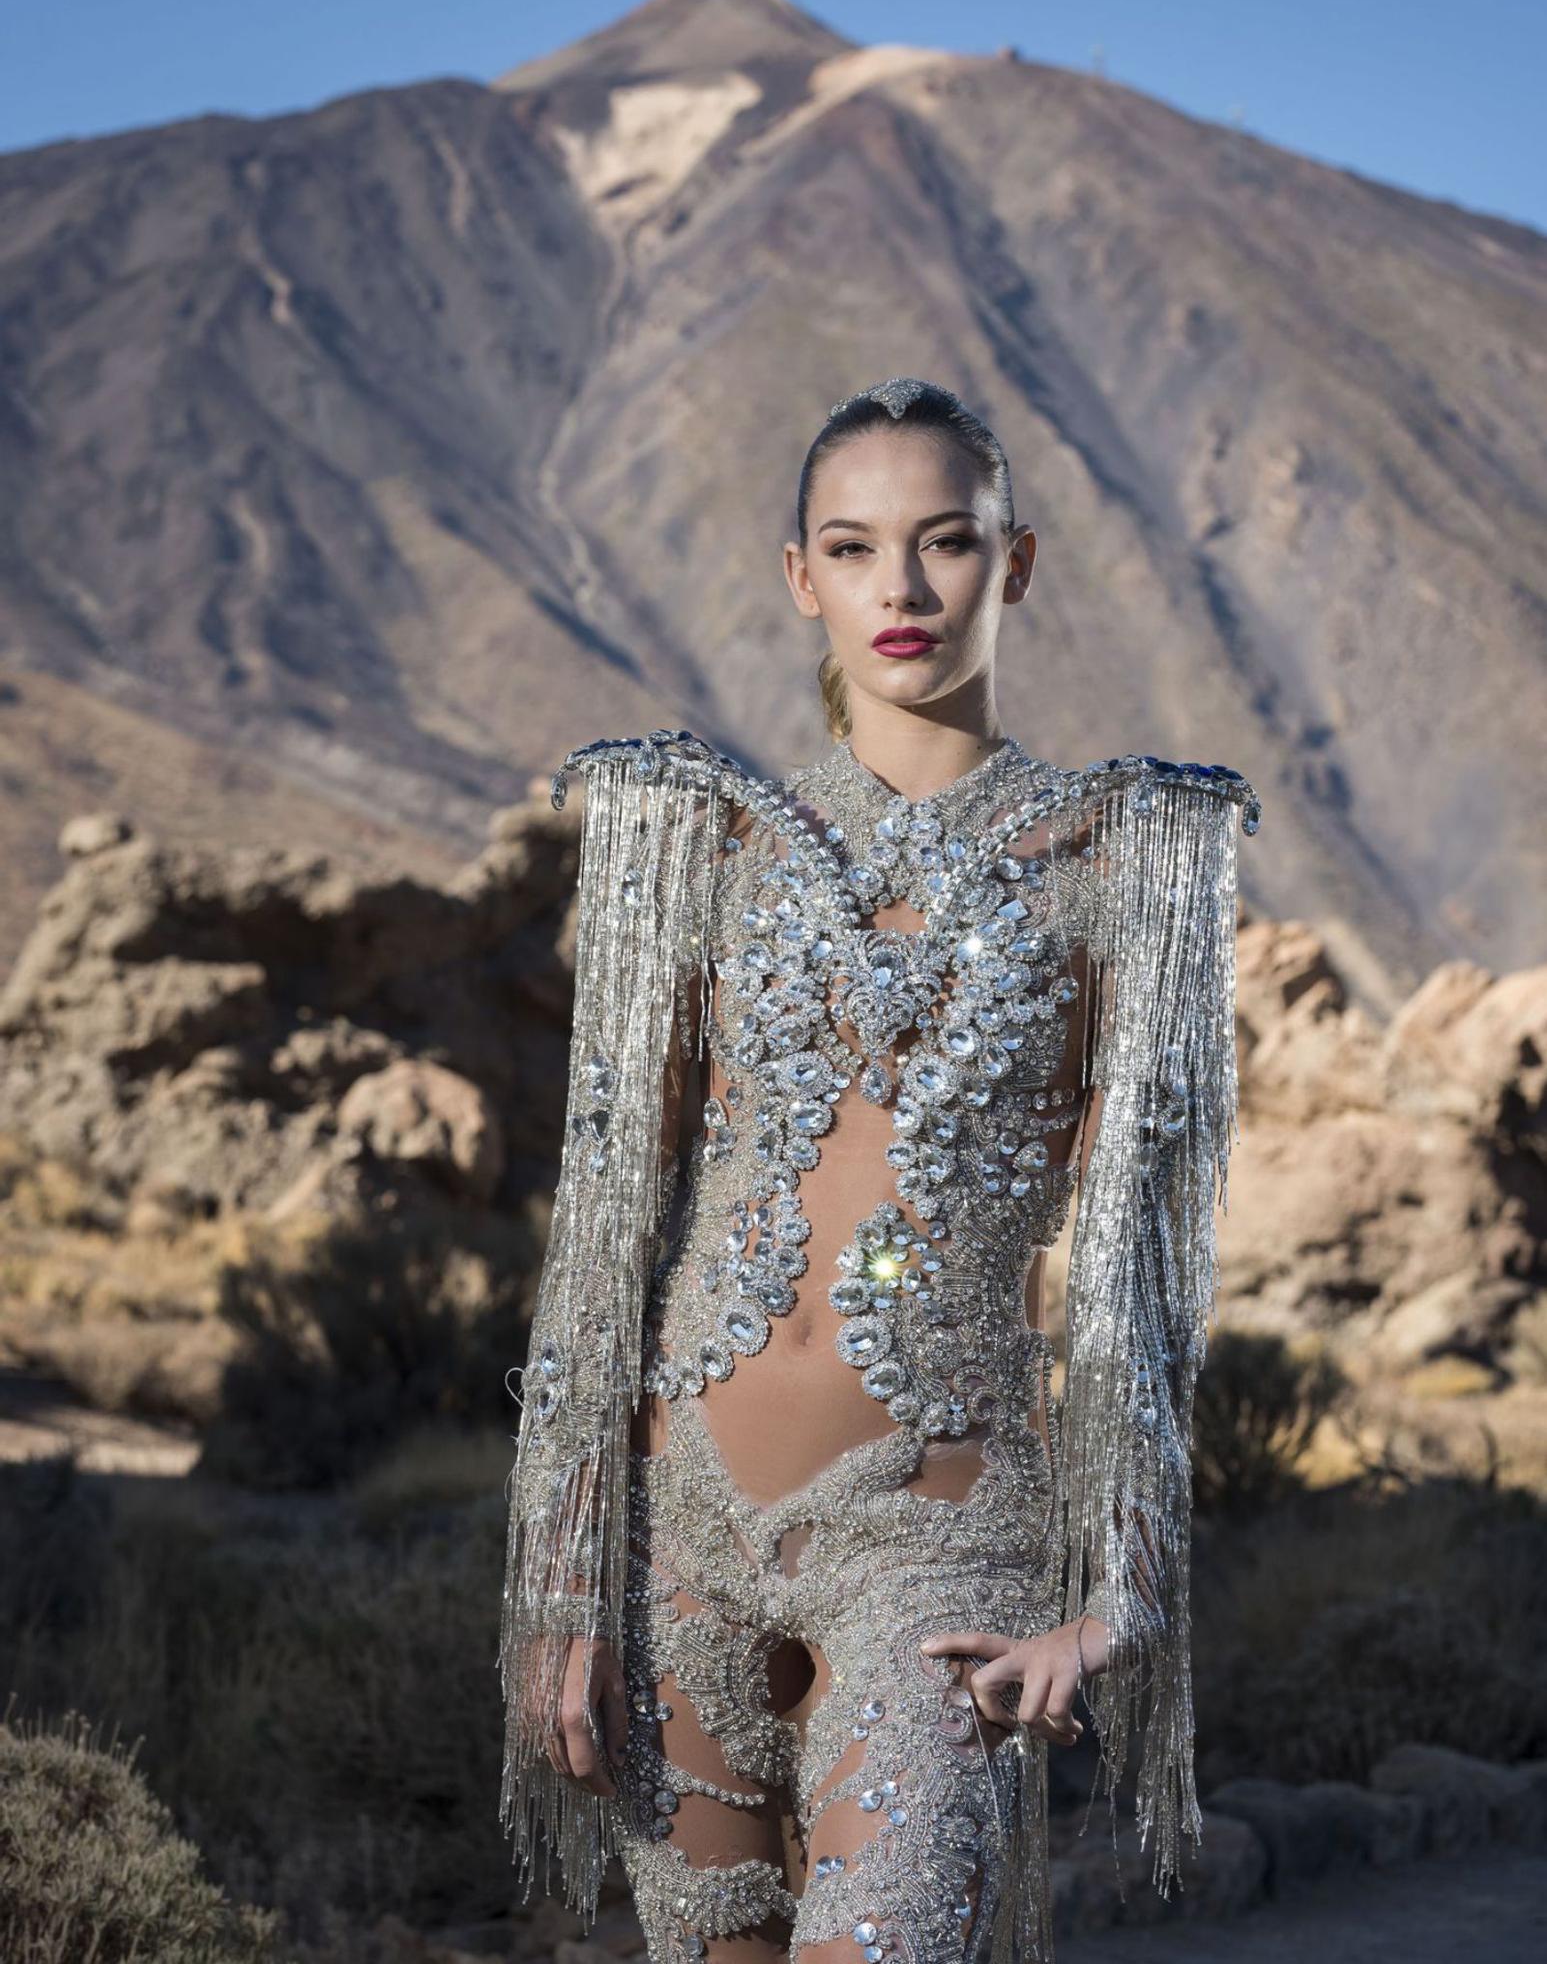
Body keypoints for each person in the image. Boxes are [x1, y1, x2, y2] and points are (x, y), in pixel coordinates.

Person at [497, 377, 1261, 1961]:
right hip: (676, 1540)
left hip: (937, 1544)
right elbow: (600, 1231)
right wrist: (561, 1581)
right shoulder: (697, 845)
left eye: (947, 543)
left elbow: (1143, 1278)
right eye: (854, 549)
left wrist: (1118, 1593)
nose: (901, 591)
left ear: (1019, 561)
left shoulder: (1126, 863)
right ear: (800, 577)